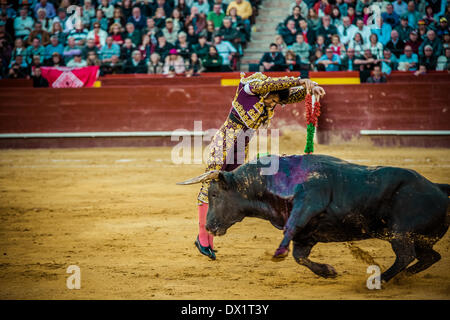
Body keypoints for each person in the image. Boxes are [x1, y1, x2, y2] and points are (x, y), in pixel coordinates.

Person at [185, 72, 325, 260]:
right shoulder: (251, 88)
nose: (272, 104)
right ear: (268, 92)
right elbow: (275, 84)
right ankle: (203, 239)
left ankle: (209, 234)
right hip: (224, 145)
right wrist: (300, 80)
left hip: (240, 148)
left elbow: (289, 95)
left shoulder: (271, 95)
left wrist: (310, 89)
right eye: (272, 100)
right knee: (208, 188)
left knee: (228, 190)